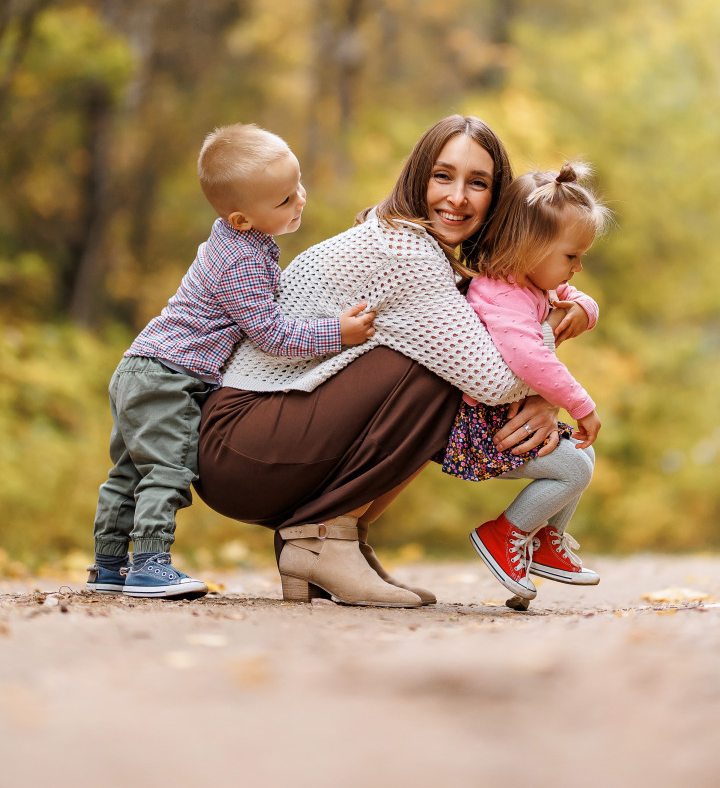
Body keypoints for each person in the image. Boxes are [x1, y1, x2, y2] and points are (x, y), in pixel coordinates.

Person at [196, 115, 564, 608]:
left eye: (478, 183)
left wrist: (571, 308)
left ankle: (338, 541)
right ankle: (326, 537)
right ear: (417, 178)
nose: (458, 196)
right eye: (442, 176)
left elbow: (499, 335)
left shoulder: (405, 240)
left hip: (252, 439)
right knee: (441, 372)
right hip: (240, 442)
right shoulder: (405, 253)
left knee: (444, 360)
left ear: (495, 201)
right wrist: (552, 346)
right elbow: (494, 380)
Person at [87, 123, 376, 599]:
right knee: (168, 468)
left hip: (141, 367)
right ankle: (150, 564)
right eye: (284, 200)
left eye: (297, 187)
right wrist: (338, 334)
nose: (299, 200)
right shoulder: (241, 258)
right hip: (168, 376)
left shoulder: (235, 241)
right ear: (242, 218)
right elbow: (271, 334)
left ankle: (109, 564)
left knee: (128, 472)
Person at [441, 161, 611, 602]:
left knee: (580, 461)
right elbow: (528, 358)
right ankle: (505, 534)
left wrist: (584, 308)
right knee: (574, 467)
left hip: (504, 417)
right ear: (529, 246)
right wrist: (581, 405)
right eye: (571, 256)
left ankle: (540, 542)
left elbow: (576, 299)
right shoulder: (501, 294)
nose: (576, 269)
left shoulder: (532, 281)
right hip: (484, 426)